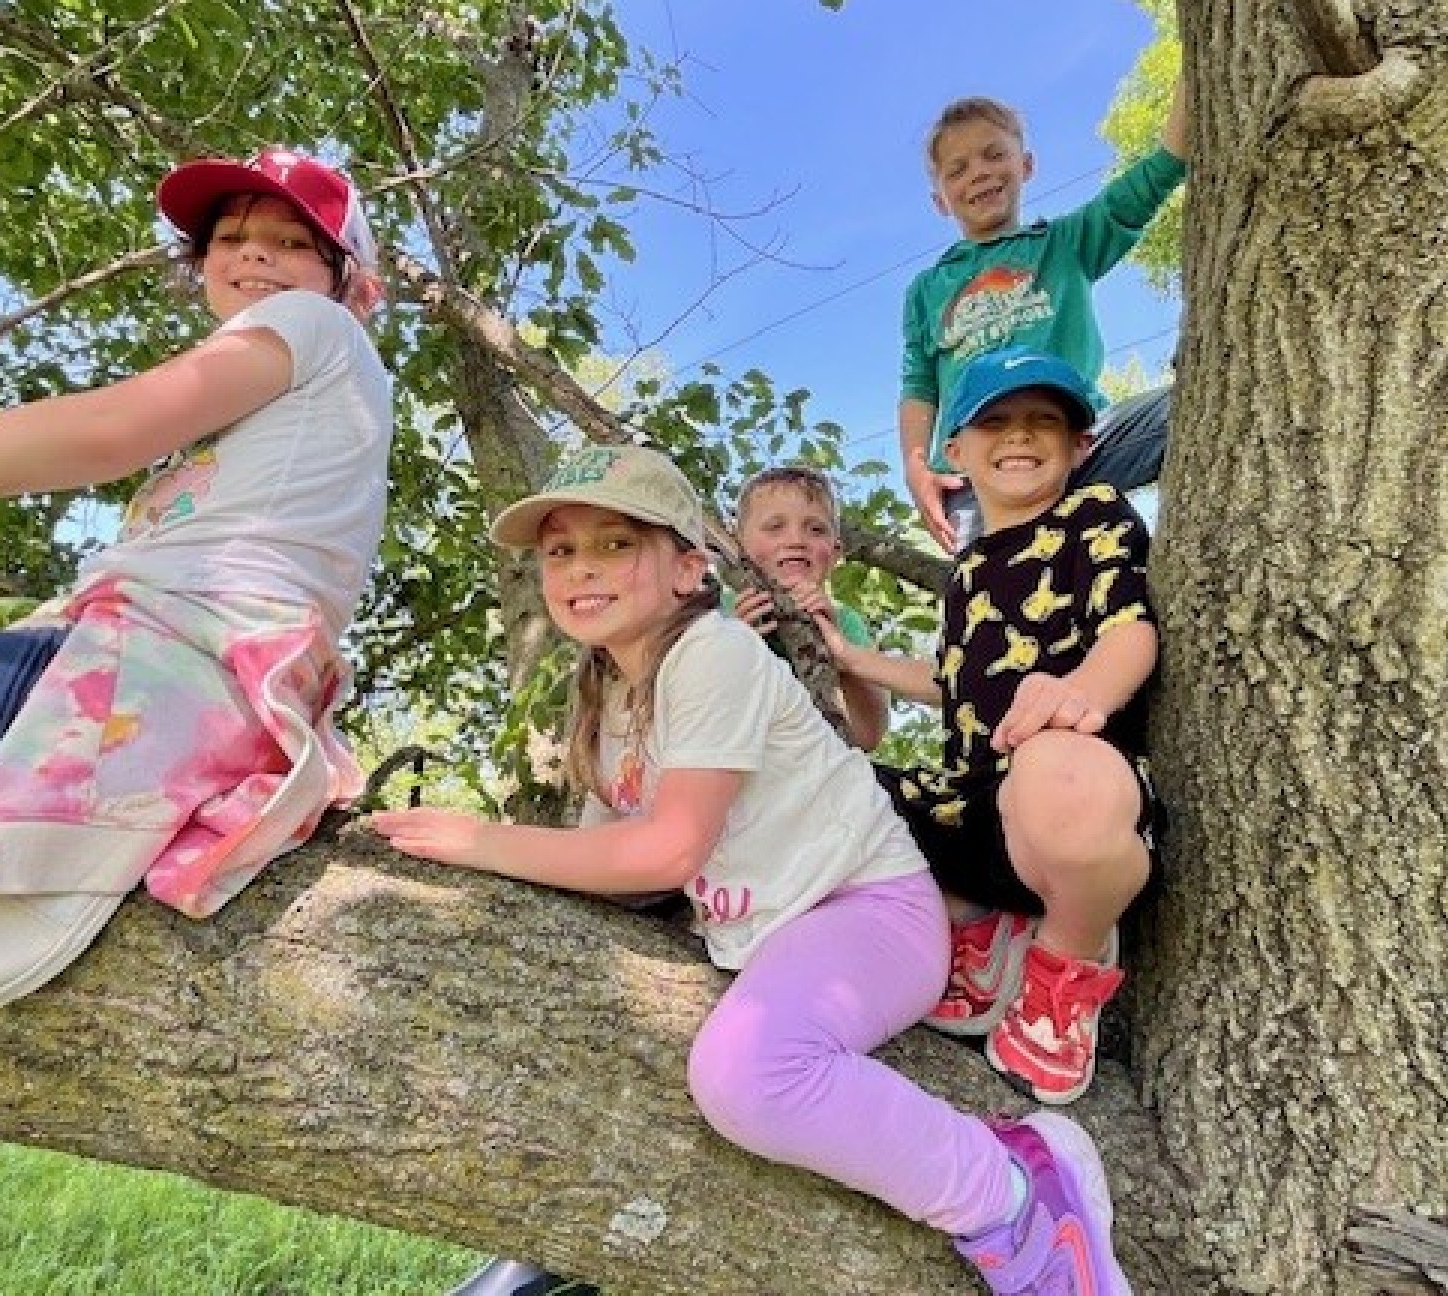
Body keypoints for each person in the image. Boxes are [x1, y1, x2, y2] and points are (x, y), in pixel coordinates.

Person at [0, 147, 393, 1296]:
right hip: (181, 690)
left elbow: (111, 429)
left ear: (346, 280)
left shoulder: (314, 335)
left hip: (150, 679)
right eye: (230, 235)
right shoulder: (317, 396)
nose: (253, 251)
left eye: (292, 238)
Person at [378, 444, 1133, 1296]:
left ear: (690, 568)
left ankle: (1014, 1193)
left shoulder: (715, 651)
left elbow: (668, 851)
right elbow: (613, 864)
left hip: (866, 910)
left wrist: (476, 839)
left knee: (748, 1074)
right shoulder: (614, 695)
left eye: (615, 545)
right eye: (561, 552)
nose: (582, 567)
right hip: (774, 932)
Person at [829, 350, 1158, 1106]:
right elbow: (952, 685)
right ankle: (983, 925)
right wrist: (853, 659)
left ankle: (1064, 969)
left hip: (1064, 799)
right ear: (956, 451)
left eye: (1046, 420)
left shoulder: (1093, 516)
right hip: (972, 804)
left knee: (1060, 774)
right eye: (996, 421)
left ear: (1081, 445)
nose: (1020, 435)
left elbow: (1130, 631)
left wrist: (1080, 698)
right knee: (836, 787)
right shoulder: (969, 572)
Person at [900, 79, 1189, 552]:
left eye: (994, 155)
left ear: (1025, 165)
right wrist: (917, 465)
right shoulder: (928, 290)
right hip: (982, 468)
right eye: (958, 169)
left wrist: (1199, 62)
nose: (979, 172)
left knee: (1190, 406)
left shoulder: (1063, 244)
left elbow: (1151, 180)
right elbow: (918, 384)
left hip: (1080, 440)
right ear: (940, 200)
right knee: (991, 598)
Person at [726, 464, 890, 751]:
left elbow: (868, 737)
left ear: (835, 552)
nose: (796, 541)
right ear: (738, 544)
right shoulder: (716, 613)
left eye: (815, 529)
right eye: (775, 527)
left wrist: (839, 652)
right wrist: (733, 645)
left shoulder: (845, 622)